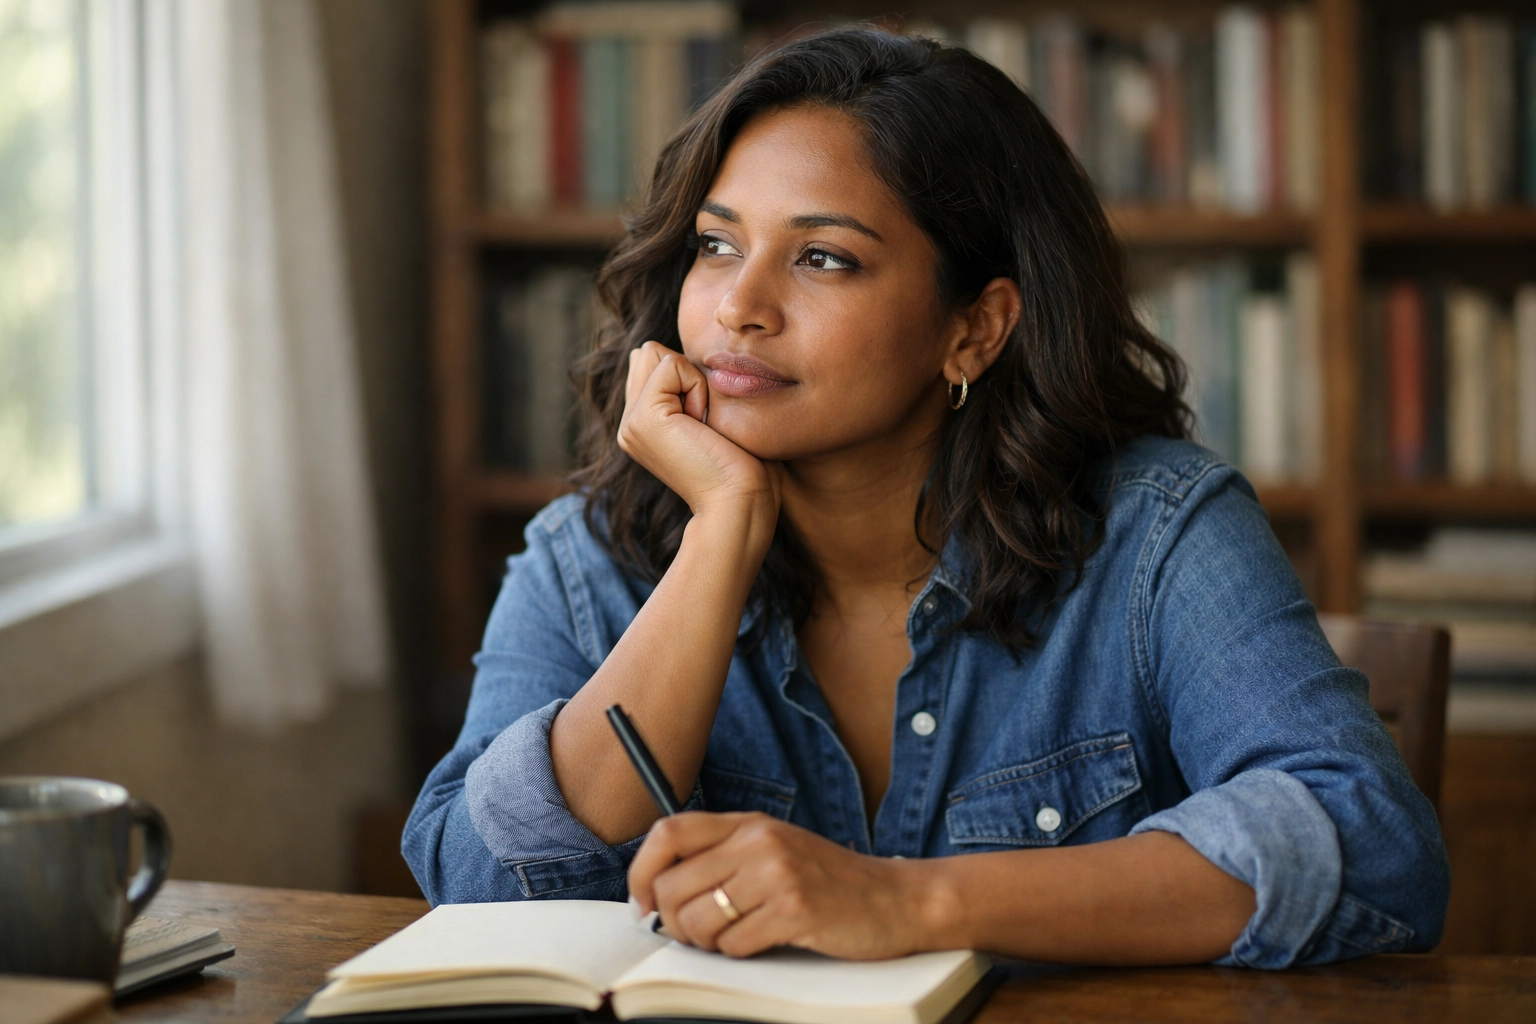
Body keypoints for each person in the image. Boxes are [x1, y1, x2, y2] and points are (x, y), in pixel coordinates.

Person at [404, 27, 1447, 968]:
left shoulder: (1156, 529)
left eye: (823, 258)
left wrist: (911, 901)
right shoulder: (592, 553)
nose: (739, 306)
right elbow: (476, 878)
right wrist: (719, 539)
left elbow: (1368, 841)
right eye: (717, 244)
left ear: (975, 330)